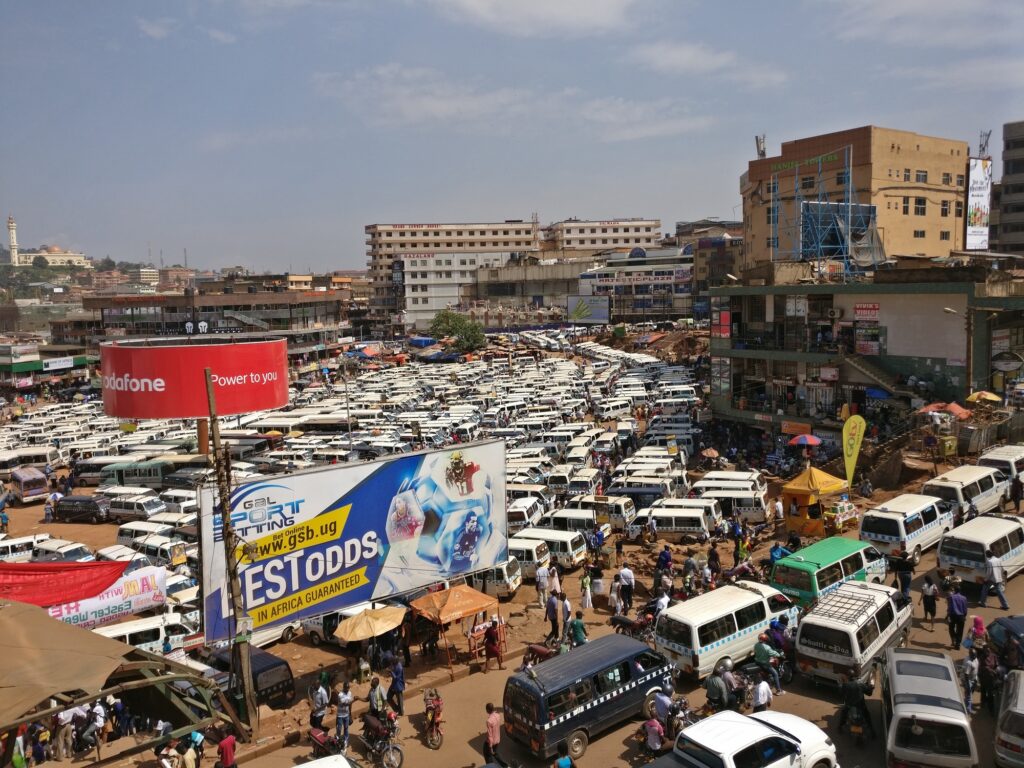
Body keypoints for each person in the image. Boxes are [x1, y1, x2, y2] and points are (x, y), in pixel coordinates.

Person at [947, 584, 969, 650]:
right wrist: (964, 615)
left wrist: (948, 615)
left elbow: (950, 607)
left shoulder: (951, 597)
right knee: (960, 630)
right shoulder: (964, 598)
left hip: (953, 616)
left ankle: (953, 638)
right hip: (961, 616)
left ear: (955, 590)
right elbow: (965, 609)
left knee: (951, 628)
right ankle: (958, 644)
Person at [483, 702, 504, 767]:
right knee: (495, 753)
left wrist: (490, 746)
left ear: (487, 710)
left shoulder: (489, 721)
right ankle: (504, 765)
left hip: (491, 742)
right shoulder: (498, 715)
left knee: (488, 755)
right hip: (497, 740)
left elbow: (490, 735)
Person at [335, 681, 353, 752]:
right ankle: (338, 740)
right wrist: (353, 700)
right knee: (339, 729)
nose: (347, 689)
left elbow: (350, 704)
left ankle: (346, 741)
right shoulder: (340, 695)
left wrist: (350, 713)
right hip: (340, 715)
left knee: (346, 728)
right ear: (343, 688)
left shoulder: (350, 693)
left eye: (348, 688)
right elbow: (344, 704)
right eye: (346, 688)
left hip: (347, 715)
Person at [962, 647, 979, 713]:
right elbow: (966, 675)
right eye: (973, 655)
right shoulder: (969, 663)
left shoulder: (975, 659)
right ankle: (968, 709)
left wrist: (976, 679)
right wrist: (968, 685)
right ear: (970, 654)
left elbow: (976, 670)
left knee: (970, 693)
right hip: (968, 680)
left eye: (975, 654)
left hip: (973, 678)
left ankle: (965, 703)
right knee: (969, 695)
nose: (974, 656)